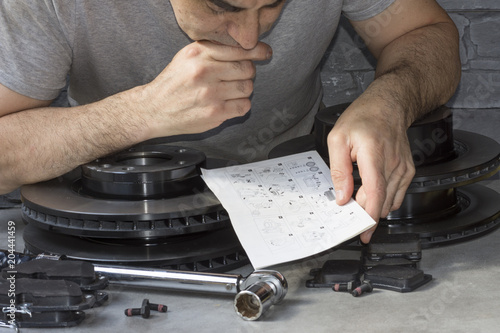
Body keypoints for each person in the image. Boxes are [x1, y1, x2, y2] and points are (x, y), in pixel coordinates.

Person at [0, 0, 460, 243]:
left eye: (274, 4)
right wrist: (142, 112)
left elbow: (424, 33)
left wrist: (389, 103)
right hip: (122, 226)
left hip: (305, 212)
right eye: (222, 6)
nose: (249, 36)